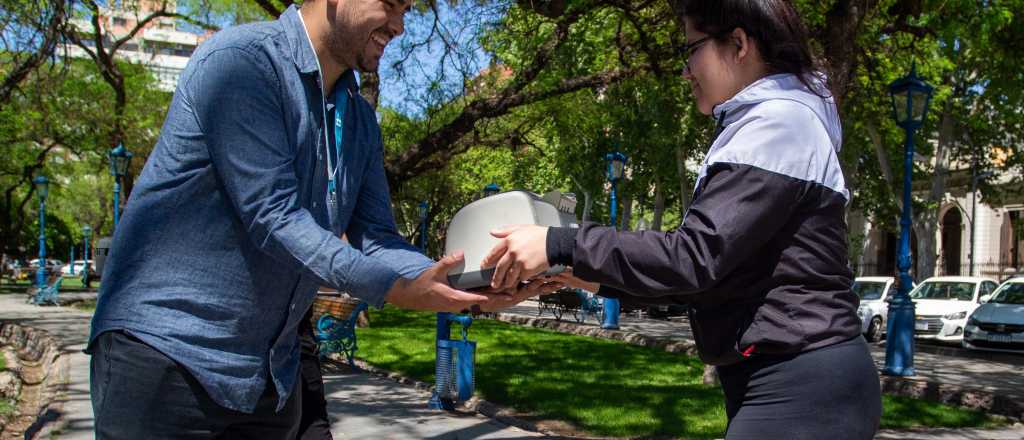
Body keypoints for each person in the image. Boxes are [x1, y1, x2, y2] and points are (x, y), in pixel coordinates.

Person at [85, 0, 540, 438]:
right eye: (391, 4)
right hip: (167, 356)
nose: (400, 26)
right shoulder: (242, 65)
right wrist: (396, 291)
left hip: (267, 374)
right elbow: (273, 215)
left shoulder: (359, 119)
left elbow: (376, 237)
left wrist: (467, 289)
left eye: (407, 11)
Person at [480, 1, 882, 438]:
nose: (685, 71)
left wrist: (562, 243)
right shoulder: (773, 121)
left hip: (802, 386)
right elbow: (704, 280)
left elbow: (693, 256)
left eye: (691, 49)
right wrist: (585, 276)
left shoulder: (779, 123)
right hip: (793, 381)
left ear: (739, 43)